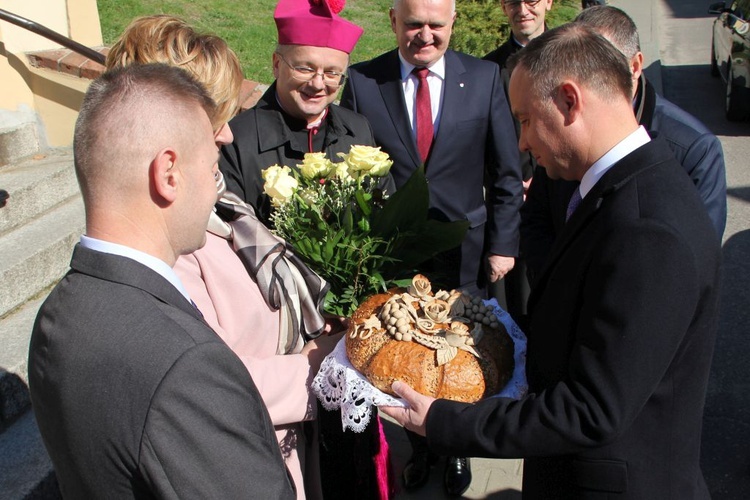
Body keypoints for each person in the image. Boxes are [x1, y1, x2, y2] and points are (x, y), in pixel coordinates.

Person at [380, 23, 721, 499]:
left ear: (567, 100)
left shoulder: (649, 230)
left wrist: (444, 421)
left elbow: (591, 408)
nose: (520, 142)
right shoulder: (620, 188)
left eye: (523, 118)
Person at [27, 64, 296, 499]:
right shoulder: (186, 363)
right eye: (212, 169)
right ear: (168, 174)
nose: (216, 190)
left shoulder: (59, 309)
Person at [105, 15, 345, 500]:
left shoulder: (221, 207)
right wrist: (318, 362)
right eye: (217, 119)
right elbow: (215, 385)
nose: (229, 136)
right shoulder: (169, 244)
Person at [339, 0, 523, 494]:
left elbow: (505, 173)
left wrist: (503, 243)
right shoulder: (362, 82)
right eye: (413, 24)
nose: (425, 35)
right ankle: (420, 448)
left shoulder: (484, 78)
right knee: (406, 359)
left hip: (466, 251)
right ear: (394, 21)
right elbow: (352, 173)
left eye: (435, 25)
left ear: (452, 23)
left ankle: (458, 444)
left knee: (460, 359)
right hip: (397, 255)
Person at [521, 5, 727, 284]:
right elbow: (538, 222)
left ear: (635, 66)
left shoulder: (694, 149)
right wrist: (560, 290)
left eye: (603, 65)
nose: (586, 80)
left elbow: (694, 261)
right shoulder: (565, 131)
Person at [220, 0, 393, 223]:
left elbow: (385, 210)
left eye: (332, 73)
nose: (318, 84)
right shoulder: (237, 141)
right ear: (276, 64)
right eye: (305, 68)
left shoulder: (358, 130)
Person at [483, 0, 553, 325]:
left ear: (549, 3)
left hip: (558, 202)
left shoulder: (570, 59)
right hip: (509, 212)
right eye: (512, 1)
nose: (522, 9)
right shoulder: (487, 71)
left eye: (532, 0)